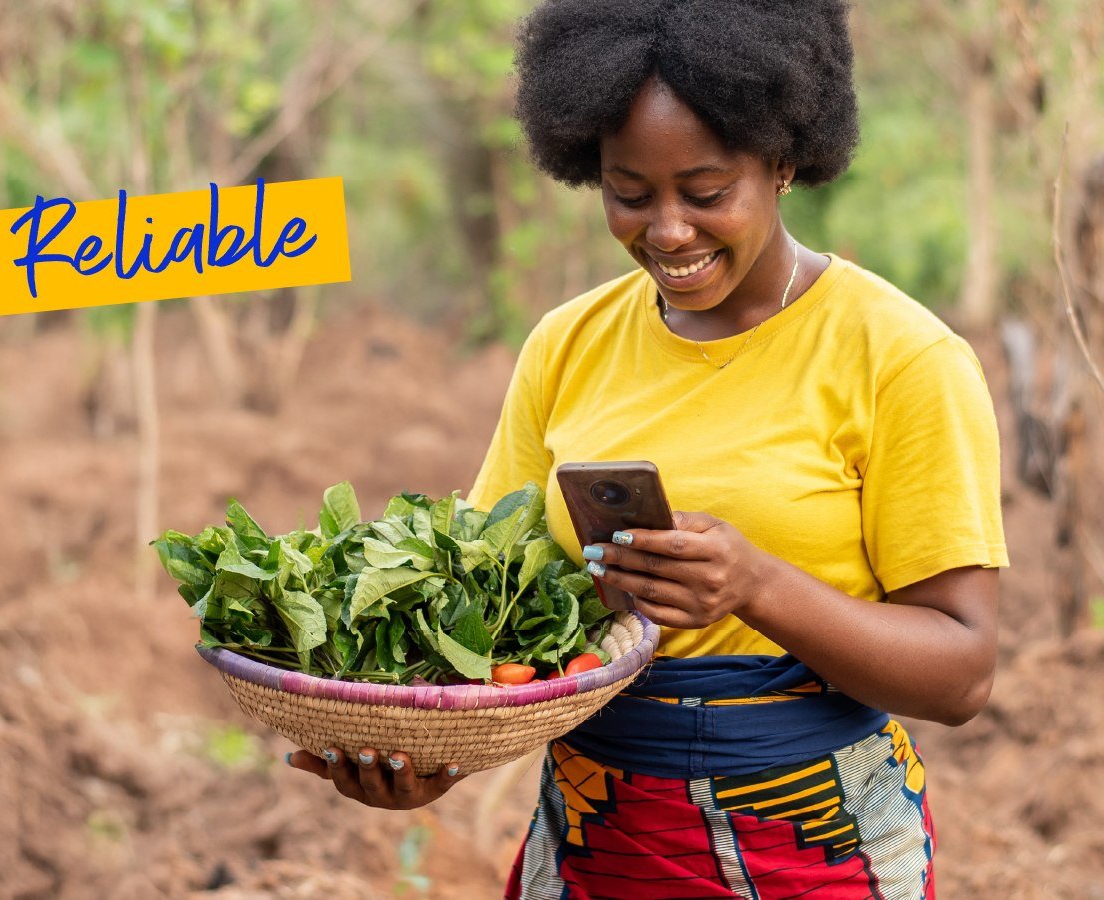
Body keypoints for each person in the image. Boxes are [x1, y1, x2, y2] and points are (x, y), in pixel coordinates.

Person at [288, 1, 1009, 896]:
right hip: (596, 843)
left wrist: (757, 585)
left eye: (706, 193)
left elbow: (962, 674)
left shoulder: (900, 357)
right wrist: (436, 754)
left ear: (784, 162)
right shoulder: (568, 344)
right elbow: (491, 609)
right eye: (630, 194)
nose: (667, 230)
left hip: (816, 850)